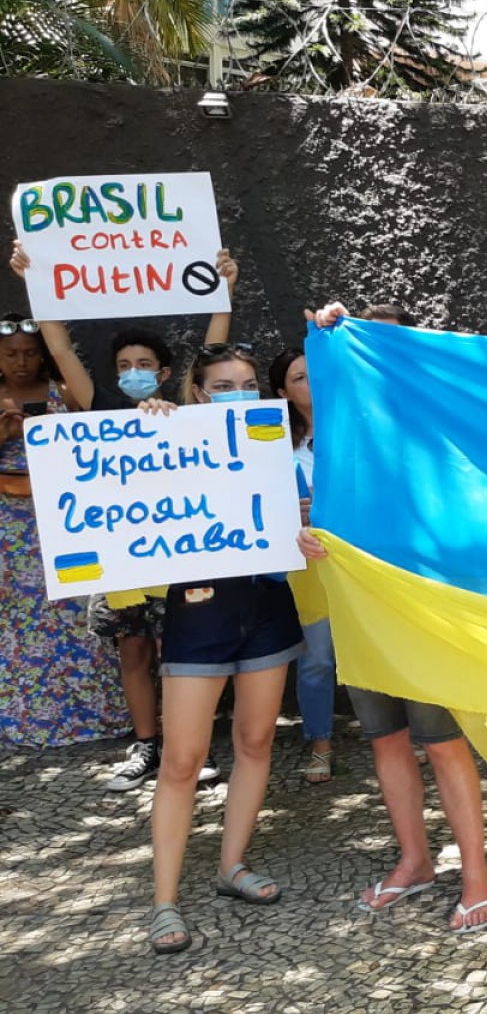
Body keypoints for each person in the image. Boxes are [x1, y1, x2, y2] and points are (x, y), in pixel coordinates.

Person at [302, 301, 487, 930]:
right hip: (359, 601)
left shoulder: (441, 424)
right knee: (384, 738)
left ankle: (477, 878)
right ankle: (414, 861)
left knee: (443, 743)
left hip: (427, 605)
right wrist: (324, 336)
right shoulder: (343, 426)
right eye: (368, 347)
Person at [9, 240, 239, 784]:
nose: (134, 371)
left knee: (179, 654)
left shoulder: (185, 410)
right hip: (122, 565)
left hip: (178, 561)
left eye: (144, 365)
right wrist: (34, 281)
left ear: (163, 373)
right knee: (133, 652)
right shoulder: (102, 407)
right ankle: (146, 746)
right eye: (124, 365)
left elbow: (214, 348)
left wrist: (223, 290)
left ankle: (192, 748)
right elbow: (60, 348)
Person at [138, 344, 306, 954]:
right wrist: (146, 422)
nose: (237, 391)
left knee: (255, 743)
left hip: (267, 610)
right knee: (182, 761)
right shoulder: (167, 435)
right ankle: (164, 902)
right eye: (222, 384)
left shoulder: (273, 442)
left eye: (246, 381)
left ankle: (231, 865)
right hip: (197, 615)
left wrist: (306, 530)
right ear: (201, 393)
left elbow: (297, 518)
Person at [0, 309, 129, 748]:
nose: (20, 362)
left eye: (29, 353)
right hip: (9, 526)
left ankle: (93, 715)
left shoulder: (62, 392)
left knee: (77, 610)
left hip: (63, 518)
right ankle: (27, 719)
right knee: (19, 617)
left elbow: (96, 443)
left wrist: (54, 432)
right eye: (11, 354)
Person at [270, 343, 337, 784]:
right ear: (282, 392)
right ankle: (320, 743)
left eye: (315, 373)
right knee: (317, 657)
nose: (310, 383)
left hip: (367, 563)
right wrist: (287, 510)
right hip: (309, 565)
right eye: (299, 377)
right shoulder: (272, 446)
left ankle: (405, 733)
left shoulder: (359, 431)